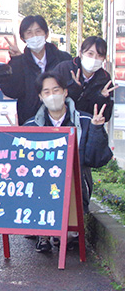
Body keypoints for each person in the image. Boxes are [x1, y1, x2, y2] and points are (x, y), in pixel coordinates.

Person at [24, 72, 113, 253]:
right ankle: (43, 234)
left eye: (56, 90)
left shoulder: (87, 121)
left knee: (69, 236)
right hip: (42, 188)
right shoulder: (30, 126)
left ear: (65, 92)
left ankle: (66, 234)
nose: (52, 95)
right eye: (46, 92)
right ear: (40, 97)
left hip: (75, 186)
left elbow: (96, 160)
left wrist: (96, 129)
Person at [1, 15, 72, 125]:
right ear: (23, 38)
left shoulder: (63, 59)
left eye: (38, 31)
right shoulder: (20, 62)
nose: (34, 36)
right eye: (29, 33)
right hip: (30, 122)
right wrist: (16, 61)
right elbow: (12, 91)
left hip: (62, 122)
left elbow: (71, 89)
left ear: (46, 34)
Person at [53, 36, 118, 122]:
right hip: (61, 125)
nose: (94, 59)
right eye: (90, 54)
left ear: (104, 58)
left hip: (88, 127)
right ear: (81, 53)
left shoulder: (104, 79)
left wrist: (101, 97)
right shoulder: (64, 69)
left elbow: (106, 115)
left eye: (99, 55)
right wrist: (74, 88)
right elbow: (52, 99)